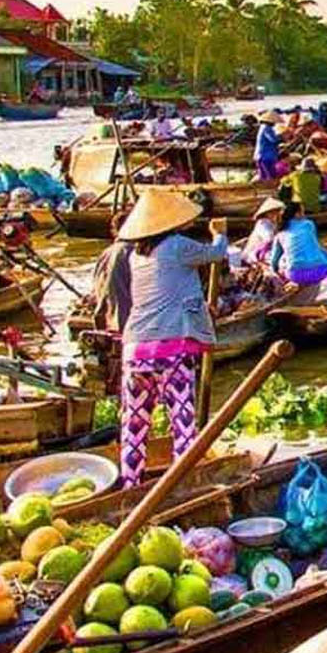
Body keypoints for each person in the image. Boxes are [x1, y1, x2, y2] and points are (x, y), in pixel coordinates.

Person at [118, 190, 228, 486]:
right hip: (170, 350)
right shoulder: (177, 246)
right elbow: (216, 254)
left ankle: (130, 483)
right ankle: (183, 482)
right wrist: (219, 233)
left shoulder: (136, 255)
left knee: (135, 422)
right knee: (183, 421)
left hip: (134, 350)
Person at [269, 201, 327, 298]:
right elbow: (315, 246)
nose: (304, 215)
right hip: (318, 273)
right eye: (303, 212)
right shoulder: (308, 224)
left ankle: (293, 283)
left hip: (294, 275)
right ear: (297, 214)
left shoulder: (279, 234)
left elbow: (273, 263)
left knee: (284, 263)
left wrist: (280, 275)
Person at [89, 213, 135, 332]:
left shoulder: (106, 253)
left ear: (114, 231)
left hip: (109, 321)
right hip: (129, 324)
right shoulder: (137, 254)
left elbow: (97, 290)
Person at [241, 197, 284, 265]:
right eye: (271, 212)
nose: (274, 214)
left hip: (267, 251)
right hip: (253, 254)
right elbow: (269, 239)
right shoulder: (262, 223)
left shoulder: (274, 224)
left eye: (276, 211)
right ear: (266, 213)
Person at [253, 110, 283, 182]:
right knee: (269, 176)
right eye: (274, 122)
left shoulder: (263, 127)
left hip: (262, 155)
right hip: (266, 156)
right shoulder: (267, 128)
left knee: (264, 176)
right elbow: (273, 139)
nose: (275, 124)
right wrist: (281, 138)